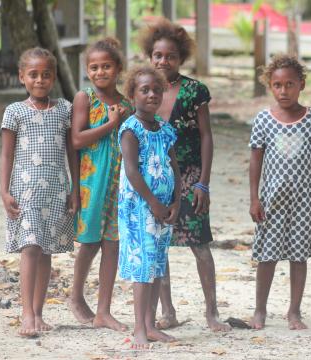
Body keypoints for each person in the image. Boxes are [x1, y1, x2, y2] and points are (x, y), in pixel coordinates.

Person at [140, 18, 231, 332]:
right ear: (150, 57)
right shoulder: (143, 90)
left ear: (181, 59)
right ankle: (168, 312)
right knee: (159, 245)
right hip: (156, 180)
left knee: (200, 244)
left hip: (191, 178)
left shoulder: (194, 91)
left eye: (170, 56)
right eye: (158, 56)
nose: (164, 61)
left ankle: (212, 313)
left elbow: (206, 136)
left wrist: (203, 182)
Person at [248, 54, 311, 330]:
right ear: (270, 86)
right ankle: (260, 310)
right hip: (273, 199)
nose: (284, 91)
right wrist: (255, 198)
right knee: (267, 255)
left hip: (306, 199)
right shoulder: (263, 120)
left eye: (290, 84)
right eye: (278, 85)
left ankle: (294, 311)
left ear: (301, 85)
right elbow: (256, 161)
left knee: (298, 255)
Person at [0, 47, 79, 337]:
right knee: (30, 247)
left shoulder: (65, 109)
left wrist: (75, 189)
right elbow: (6, 156)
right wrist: (4, 192)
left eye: (46, 74)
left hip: (56, 191)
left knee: (46, 250)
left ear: (54, 77)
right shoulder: (14, 112)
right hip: (25, 191)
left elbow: (72, 153)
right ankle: (25, 314)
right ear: (22, 77)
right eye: (33, 74)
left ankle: (39, 311)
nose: (40, 80)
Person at [69, 37, 133, 331]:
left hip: (119, 184)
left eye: (106, 66)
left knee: (113, 243)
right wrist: (110, 124)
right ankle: (76, 296)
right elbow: (77, 139)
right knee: (89, 242)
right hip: (91, 183)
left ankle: (103, 311)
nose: (99, 72)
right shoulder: (85, 98)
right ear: (87, 71)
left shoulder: (127, 105)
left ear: (118, 68)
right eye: (93, 67)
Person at [118, 65, 181, 349]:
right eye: (144, 90)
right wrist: (154, 203)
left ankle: (152, 324)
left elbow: (174, 168)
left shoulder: (166, 129)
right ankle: (139, 328)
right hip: (139, 208)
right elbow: (132, 172)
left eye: (156, 90)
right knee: (143, 267)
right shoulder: (130, 129)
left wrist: (176, 201)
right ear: (132, 96)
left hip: (163, 209)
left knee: (156, 265)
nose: (152, 94)